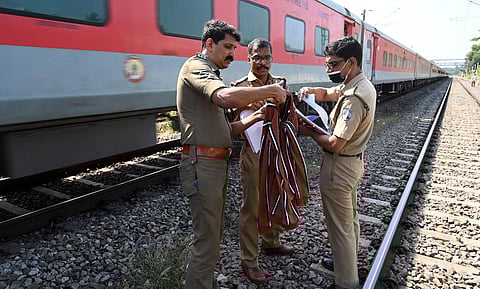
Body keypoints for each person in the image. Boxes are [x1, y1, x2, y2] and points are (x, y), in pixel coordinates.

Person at [176, 20, 289, 289]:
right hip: (202, 164)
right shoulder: (197, 67)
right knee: (206, 243)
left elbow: (228, 129)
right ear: (209, 44)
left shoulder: (212, 74)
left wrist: (257, 115)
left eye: (234, 48)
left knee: (211, 239)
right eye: (227, 47)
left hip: (213, 164)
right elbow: (224, 98)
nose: (231, 54)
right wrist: (270, 90)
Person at [298, 36, 376, 289]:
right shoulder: (360, 84)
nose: (329, 69)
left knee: (340, 229)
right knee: (349, 221)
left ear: (351, 62)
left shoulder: (354, 97)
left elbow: (335, 143)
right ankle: (346, 264)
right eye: (327, 65)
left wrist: (308, 130)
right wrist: (311, 92)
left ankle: (346, 282)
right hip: (353, 164)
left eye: (333, 64)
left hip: (339, 167)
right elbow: (330, 93)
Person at [230, 38, 295, 284]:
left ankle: (271, 242)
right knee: (251, 207)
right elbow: (230, 121)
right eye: (257, 58)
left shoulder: (280, 84)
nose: (262, 63)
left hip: (276, 152)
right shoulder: (238, 86)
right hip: (254, 153)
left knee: (276, 197)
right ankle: (249, 261)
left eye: (266, 58)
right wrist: (248, 103)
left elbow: (290, 115)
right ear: (248, 59)